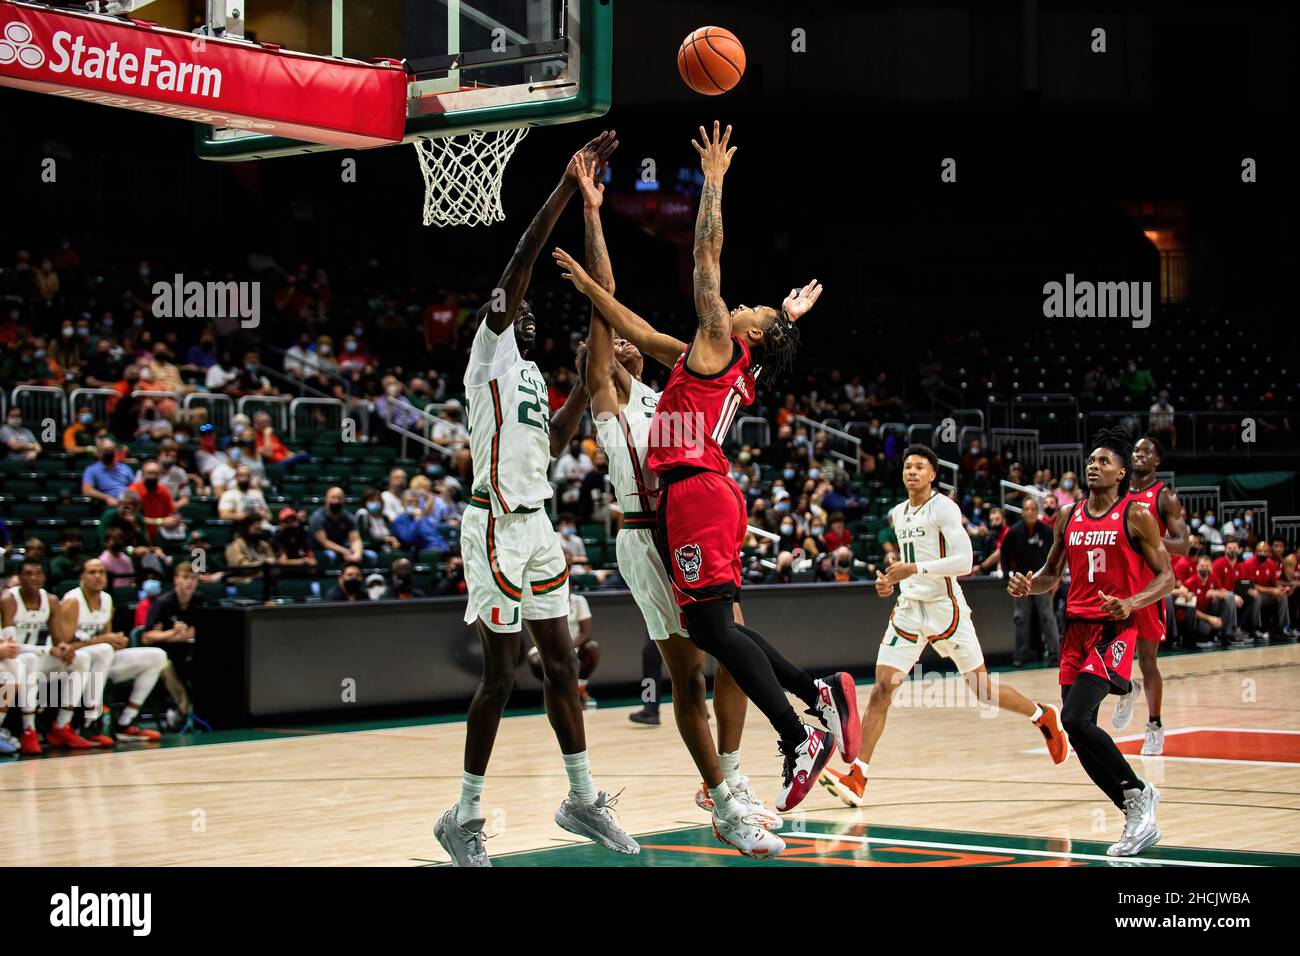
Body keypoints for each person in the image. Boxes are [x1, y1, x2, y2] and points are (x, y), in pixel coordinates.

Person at [553, 121, 854, 816]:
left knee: (718, 634)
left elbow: (706, 257)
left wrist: (713, 178)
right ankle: (815, 701)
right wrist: (589, 288)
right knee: (719, 632)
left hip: (694, 495)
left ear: (743, 332)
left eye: (749, 312)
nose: (737, 304)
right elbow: (640, 332)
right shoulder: (708, 359)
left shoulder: (720, 337)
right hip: (692, 500)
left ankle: (795, 733)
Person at [435, 131, 639, 868]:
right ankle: (461, 816)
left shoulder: (529, 380)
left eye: (526, 310)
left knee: (561, 664)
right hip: (490, 527)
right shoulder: (489, 354)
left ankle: (580, 798)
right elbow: (520, 263)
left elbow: (552, 445)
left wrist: (591, 386)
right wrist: (563, 189)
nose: (523, 310)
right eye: (513, 305)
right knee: (501, 671)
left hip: (538, 528)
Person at [573, 148, 780, 853]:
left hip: (690, 518)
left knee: (735, 645)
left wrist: (783, 319)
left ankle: (731, 772)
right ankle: (724, 801)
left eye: (630, 344)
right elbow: (611, 304)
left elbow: (667, 330)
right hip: (643, 534)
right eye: (613, 345)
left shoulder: (673, 388)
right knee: (688, 677)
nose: (626, 349)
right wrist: (592, 216)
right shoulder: (607, 396)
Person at [820, 446, 1068, 808]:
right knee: (881, 690)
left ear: (933, 474)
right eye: (907, 466)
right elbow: (907, 567)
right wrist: (891, 582)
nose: (912, 472)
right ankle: (858, 775)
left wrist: (915, 570)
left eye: (920, 467)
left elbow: (966, 561)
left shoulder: (944, 508)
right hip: (909, 609)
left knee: (982, 690)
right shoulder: (898, 513)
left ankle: (1042, 715)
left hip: (945, 609)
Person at [1007, 428, 1175, 856]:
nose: (1093, 467)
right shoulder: (1069, 515)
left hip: (1114, 628)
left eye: (1104, 462)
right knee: (1078, 731)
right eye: (1091, 461)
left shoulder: (1135, 515)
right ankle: (1133, 812)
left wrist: (1131, 602)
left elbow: (1167, 577)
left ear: (1121, 472)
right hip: (1076, 629)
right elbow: (1050, 574)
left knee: (1076, 717)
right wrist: (1031, 586)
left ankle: (1139, 792)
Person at [1114, 437, 1190, 755]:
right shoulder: (1115, 494)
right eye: (1136, 450)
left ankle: (1155, 726)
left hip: (1148, 590)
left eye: (1147, 452)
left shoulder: (1164, 497)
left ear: (1157, 461)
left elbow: (1183, 544)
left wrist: (1148, 539)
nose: (1139, 454)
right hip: (1116, 588)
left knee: (1147, 661)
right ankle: (1126, 689)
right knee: (1106, 661)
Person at [60, 559, 169, 744]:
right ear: (82, 577)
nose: (98, 576)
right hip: (71, 664)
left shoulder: (107, 599)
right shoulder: (72, 601)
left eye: (101, 572)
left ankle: (125, 722)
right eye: (92, 572)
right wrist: (103, 641)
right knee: (103, 649)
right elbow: (63, 647)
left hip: (99, 665)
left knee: (157, 656)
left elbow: (105, 640)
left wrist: (116, 641)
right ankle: (91, 723)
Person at [0, 557, 97, 754]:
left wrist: (64, 648)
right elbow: (12, 647)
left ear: (44, 577)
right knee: (27, 660)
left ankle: (63, 725)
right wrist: (47, 650)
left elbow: (58, 640)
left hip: (33, 658)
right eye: (28, 574)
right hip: (15, 658)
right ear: (19, 577)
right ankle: (29, 729)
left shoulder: (51, 601)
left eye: (38, 573)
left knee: (82, 658)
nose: (33, 578)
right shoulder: (9, 600)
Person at [1000, 497, 1061, 666]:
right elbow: (1004, 554)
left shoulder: (1046, 531)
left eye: (1033, 509)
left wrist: (1055, 580)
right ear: (1022, 512)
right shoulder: (1013, 532)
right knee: (1020, 618)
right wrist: (1007, 576)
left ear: (1037, 511)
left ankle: (1055, 655)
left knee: (1048, 616)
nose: (1029, 512)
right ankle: (1020, 656)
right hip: (1020, 581)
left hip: (1042, 581)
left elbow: (1057, 557)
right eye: (1026, 509)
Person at [141, 561, 203, 726]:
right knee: (166, 666)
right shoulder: (162, 603)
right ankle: (186, 709)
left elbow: (201, 629)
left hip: (188, 649)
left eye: (193, 578)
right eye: (185, 577)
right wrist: (170, 634)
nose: (189, 582)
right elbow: (147, 637)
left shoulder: (199, 600)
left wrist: (180, 635)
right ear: (176, 579)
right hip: (162, 652)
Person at [310, 487, 372, 566]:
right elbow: (325, 542)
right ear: (326, 499)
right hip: (319, 550)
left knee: (371, 555)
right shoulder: (317, 517)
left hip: (341, 548)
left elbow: (355, 539)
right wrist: (345, 551)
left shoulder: (347, 516)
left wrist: (357, 555)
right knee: (331, 555)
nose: (336, 501)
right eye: (333, 498)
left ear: (344, 500)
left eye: (339, 498)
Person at [81, 437, 135, 507]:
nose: (109, 453)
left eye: (111, 450)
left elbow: (134, 487)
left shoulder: (125, 468)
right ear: (99, 452)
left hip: (127, 503)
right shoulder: (92, 470)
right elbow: (86, 490)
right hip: (107, 505)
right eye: (106, 450)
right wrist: (106, 498)